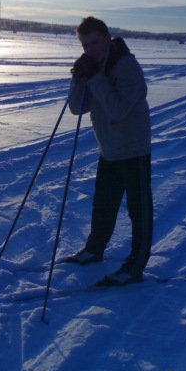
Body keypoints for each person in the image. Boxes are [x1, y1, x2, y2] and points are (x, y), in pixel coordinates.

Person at [65, 16, 153, 286]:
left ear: (107, 38)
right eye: (85, 45)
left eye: (94, 43)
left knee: (138, 211)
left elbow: (118, 109)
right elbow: (77, 108)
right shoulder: (95, 66)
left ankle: (135, 266)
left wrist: (95, 77)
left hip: (133, 149)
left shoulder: (127, 67)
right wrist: (79, 79)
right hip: (109, 149)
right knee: (103, 204)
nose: (90, 50)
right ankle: (94, 249)